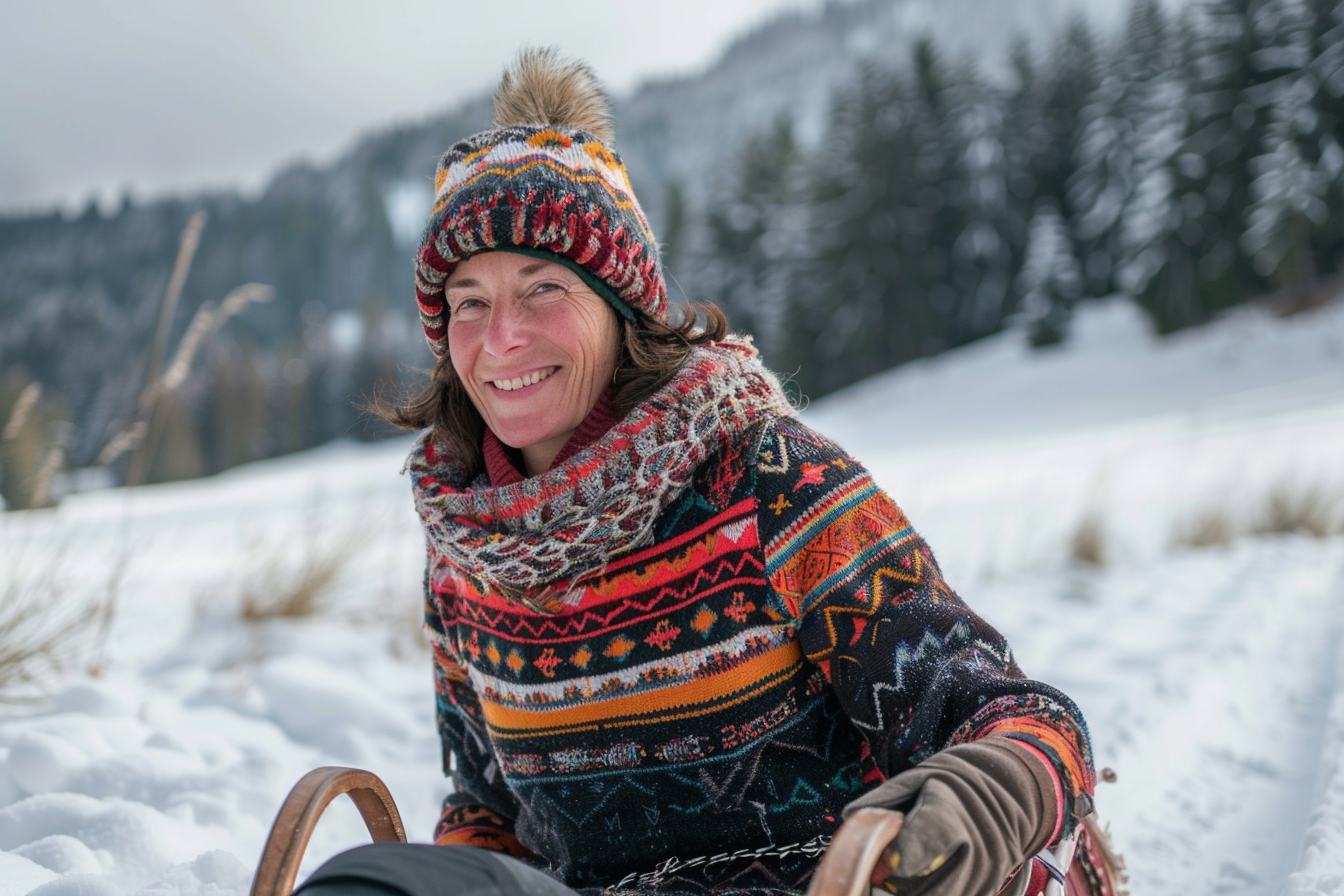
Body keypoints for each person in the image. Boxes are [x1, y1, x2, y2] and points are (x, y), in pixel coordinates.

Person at [298, 49, 1122, 896]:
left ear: (623, 311)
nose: (500, 337)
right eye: (468, 301)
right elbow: (489, 808)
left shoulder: (766, 482)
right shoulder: (468, 548)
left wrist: (990, 794)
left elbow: (1019, 717)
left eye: (543, 287)